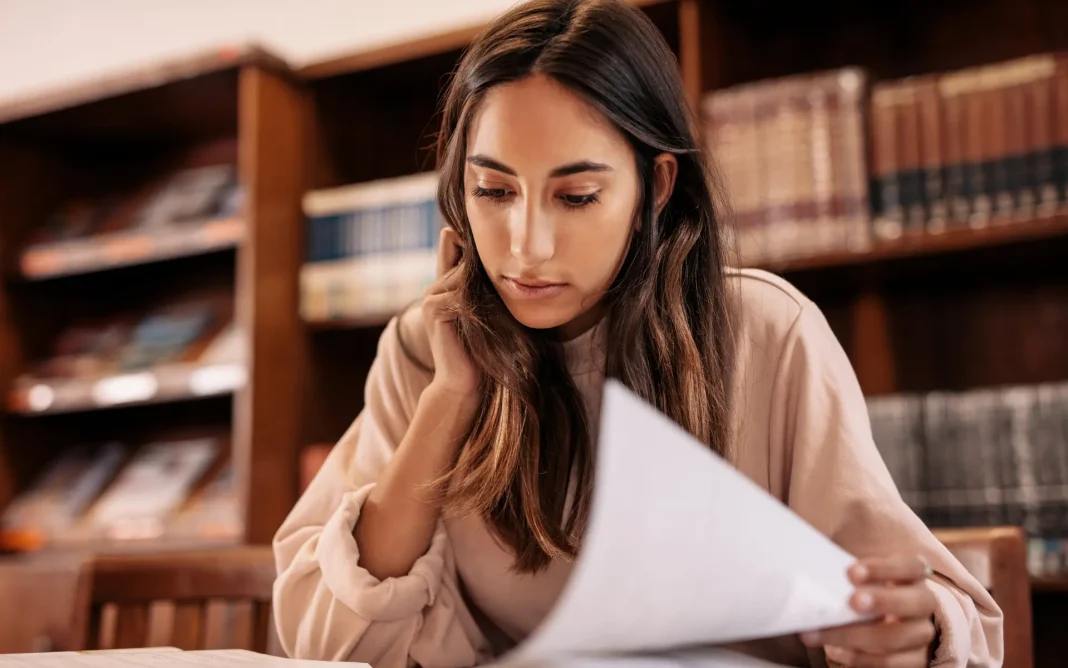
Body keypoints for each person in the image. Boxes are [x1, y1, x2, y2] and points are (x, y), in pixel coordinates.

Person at [273, 0, 1003, 666]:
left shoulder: (767, 334)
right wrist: (450, 399)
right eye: (492, 190)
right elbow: (328, 638)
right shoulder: (426, 348)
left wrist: (909, 630)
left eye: (578, 196)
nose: (526, 247)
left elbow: (938, 618)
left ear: (653, 187)